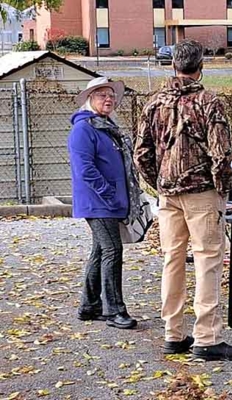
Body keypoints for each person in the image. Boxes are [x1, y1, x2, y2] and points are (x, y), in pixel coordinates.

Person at [134, 39, 232, 360]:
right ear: (201, 66)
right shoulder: (209, 103)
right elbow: (222, 154)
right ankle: (207, 338)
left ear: (173, 65)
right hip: (202, 193)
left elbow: (140, 153)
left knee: (173, 260)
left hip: (169, 195)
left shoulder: (154, 104)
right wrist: (223, 190)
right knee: (207, 261)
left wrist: (159, 183)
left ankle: (173, 333)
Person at [68, 76, 139, 330]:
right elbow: (85, 169)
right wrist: (108, 193)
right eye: (102, 95)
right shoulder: (84, 129)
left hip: (109, 201)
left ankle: (89, 307)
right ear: (90, 99)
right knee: (112, 250)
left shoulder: (106, 126)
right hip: (98, 202)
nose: (108, 99)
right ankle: (114, 310)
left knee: (100, 251)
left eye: (111, 96)